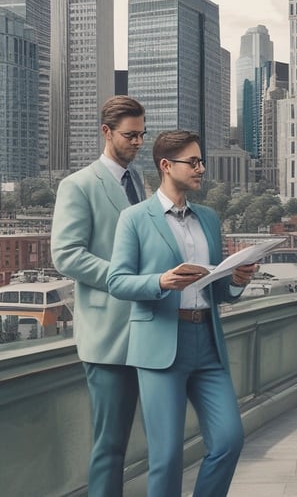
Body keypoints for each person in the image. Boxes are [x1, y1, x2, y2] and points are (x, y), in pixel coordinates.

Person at [106, 130, 258, 497]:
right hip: (159, 346)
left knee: (228, 440)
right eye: (193, 162)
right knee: (167, 457)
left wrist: (236, 278)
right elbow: (117, 281)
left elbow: (219, 289)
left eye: (201, 161)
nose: (201, 168)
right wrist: (162, 280)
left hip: (207, 344)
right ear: (165, 166)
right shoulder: (134, 218)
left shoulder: (207, 218)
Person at [51, 95, 147, 496]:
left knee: (144, 440)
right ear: (106, 132)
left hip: (147, 331)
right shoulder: (77, 185)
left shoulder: (139, 181)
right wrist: (124, 279)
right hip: (107, 338)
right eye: (130, 136)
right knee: (110, 445)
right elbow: (66, 255)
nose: (138, 143)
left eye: (142, 135)